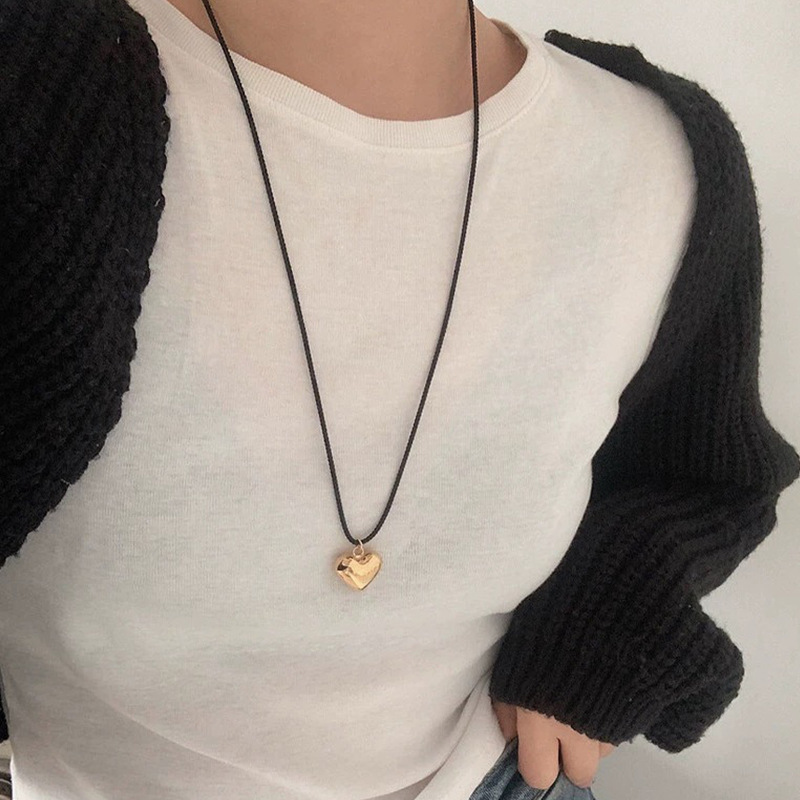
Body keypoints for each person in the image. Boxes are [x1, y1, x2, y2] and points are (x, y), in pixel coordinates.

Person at [1, 1, 797, 799]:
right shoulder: (40, 92)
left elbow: (702, 475)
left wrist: (602, 636)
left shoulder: (663, 160)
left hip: (502, 776)